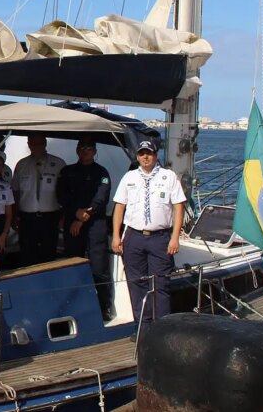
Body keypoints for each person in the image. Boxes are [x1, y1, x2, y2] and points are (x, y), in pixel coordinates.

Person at [111, 140, 186, 330]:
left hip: (160, 238)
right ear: (137, 156)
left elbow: (179, 207)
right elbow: (119, 206)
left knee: (160, 284)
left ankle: (161, 329)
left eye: (149, 153)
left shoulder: (168, 177)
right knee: (136, 283)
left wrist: (175, 237)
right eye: (142, 153)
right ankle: (142, 328)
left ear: (156, 155)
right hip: (134, 237)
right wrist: (116, 236)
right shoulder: (129, 178)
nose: (145, 157)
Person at [57, 136, 113, 321]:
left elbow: (102, 197)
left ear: (95, 151)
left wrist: (83, 216)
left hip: (95, 224)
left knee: (99, 267)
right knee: (74, 264)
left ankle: (105, 306)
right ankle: (75, 305)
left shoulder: (102, 173)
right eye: (82, 148)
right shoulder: (67, 172)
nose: (85, 151)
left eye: (89, 148)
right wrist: (75, 213)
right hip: (73, 221)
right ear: (77, 151)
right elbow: (61, 196)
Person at [11, 133, 66, 265]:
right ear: (28, 144)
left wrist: (64, 215)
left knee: (49, 254)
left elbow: (65, 192)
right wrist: (14, 216)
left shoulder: (59, 163)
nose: (36, 147)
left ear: (45, 143)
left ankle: (48, 283)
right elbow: (15, 192)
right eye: (33, 144)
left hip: (50, 217)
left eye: (39, 143)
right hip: (27, 218)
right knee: (27, 254)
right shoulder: (21, 164)